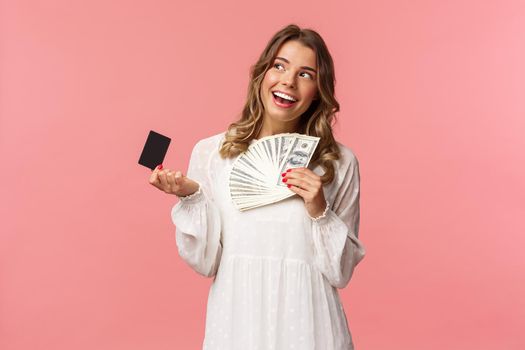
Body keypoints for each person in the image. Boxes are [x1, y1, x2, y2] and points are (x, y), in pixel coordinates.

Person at [149, 23, 366, 350]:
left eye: (306, 74)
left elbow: (341, 273)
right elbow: (206, 262)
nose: (288, 81)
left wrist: (319, 209)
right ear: (262, 74)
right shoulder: (212, 153)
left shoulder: (338, 162)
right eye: (279, 66)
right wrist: (191, 196)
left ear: (319, 90)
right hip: (238, 322)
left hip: (311, 326)